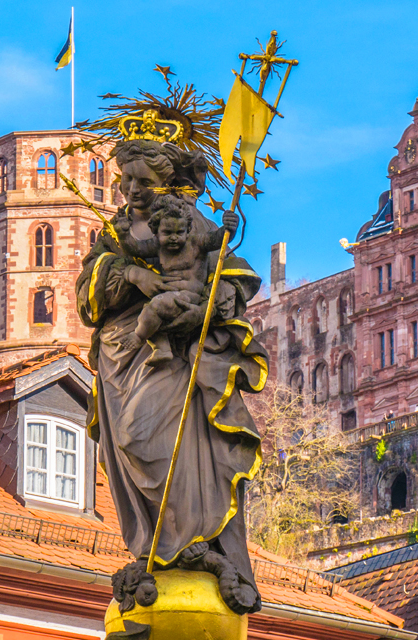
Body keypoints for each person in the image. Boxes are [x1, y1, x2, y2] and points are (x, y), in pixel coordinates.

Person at [76, 137, 266, 615]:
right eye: (127, 180)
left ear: (167, 184)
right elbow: (86, 298)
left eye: (145, 181)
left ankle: (194, 543)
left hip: (174, 356)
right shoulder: (116, 233)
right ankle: (153, 547)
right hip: (120, 356)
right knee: (126, 445)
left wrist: (218, 293)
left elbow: (232, 270)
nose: (133, 189)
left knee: (156, 442)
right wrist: (133, 276)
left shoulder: (188, 221)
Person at [115, 194, 236, 366]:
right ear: (156, 231)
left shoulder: (196, 243)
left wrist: (229, 227)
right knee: (150, 315)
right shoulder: (158, 246)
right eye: (167, 233)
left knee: (155, 307)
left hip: (189, 296)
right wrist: (123, 234)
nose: (173, 237)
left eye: (179, 232)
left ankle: (138, 336)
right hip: (168, 296)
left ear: (188, 230)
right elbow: (135, 249)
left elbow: (218, 239)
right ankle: (162, 348)